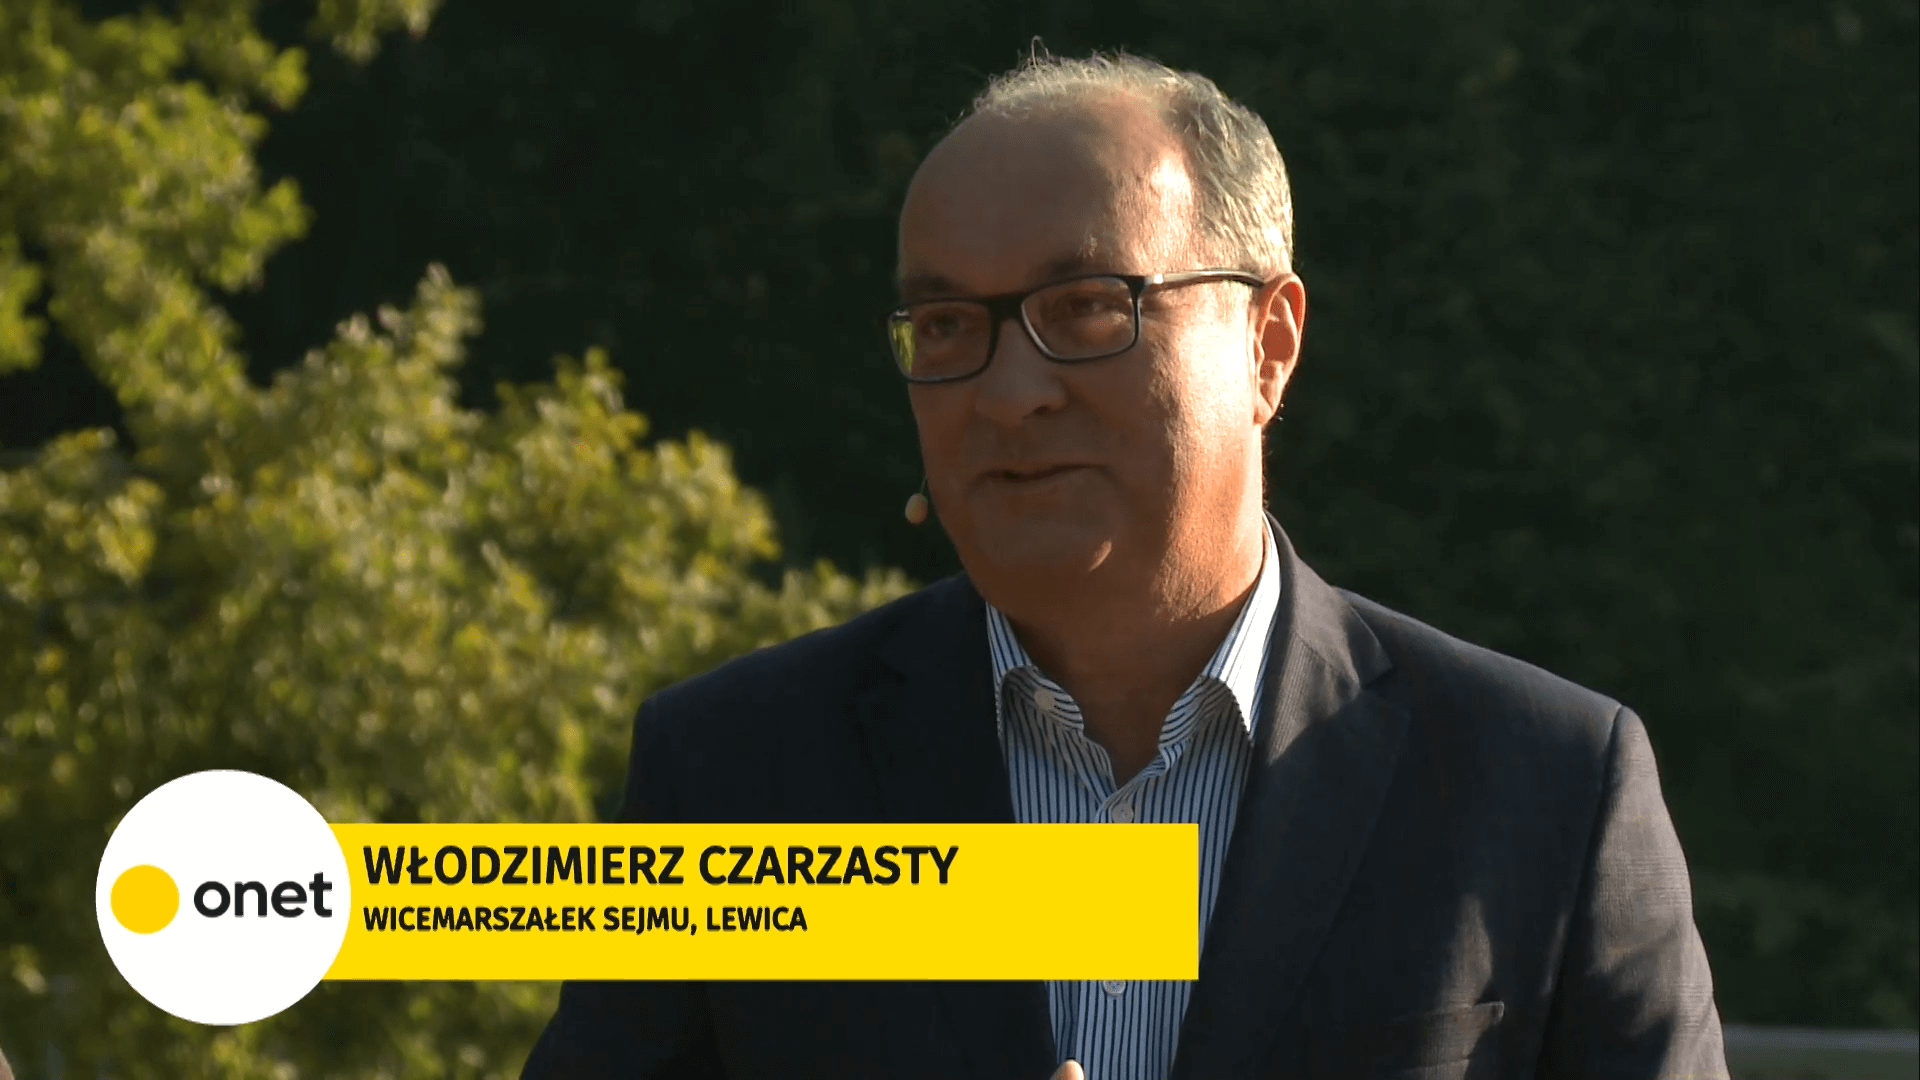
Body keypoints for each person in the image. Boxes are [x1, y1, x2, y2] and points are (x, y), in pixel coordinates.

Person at [522, 51, 1728, 1080]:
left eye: (1088, 307)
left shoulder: (1544, 788)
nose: (1009, 392)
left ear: (1268, 344)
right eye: (946, 327)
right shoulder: (736, 773)